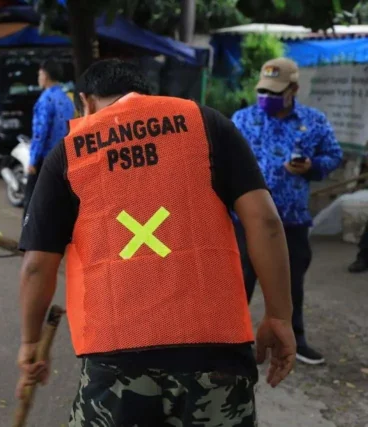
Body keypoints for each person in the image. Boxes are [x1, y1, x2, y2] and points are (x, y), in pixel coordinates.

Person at [16, 59, 296, 426]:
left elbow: (38, 265)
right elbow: (266, 222)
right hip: (216, 352)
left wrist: (30, 342)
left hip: (117, 358)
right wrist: (279, 315)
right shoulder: (205, 123)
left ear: (85, 102)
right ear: (147, 94)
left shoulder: (69, 153)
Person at [232, 58, 342, 365]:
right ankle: (231, 343)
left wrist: (311, 167)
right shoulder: (242, 120)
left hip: (290, 220)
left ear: (294, 88)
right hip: (244, 220)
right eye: (263, 91)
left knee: (291, 282)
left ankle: (294, 338)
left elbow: (333, 155)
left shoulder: (314, 121)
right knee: (239, 281)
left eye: (275, 91)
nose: (267, 97)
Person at [23, 59, 75, 220]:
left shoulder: (45, 100)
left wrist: (32, 160)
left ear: (45, 75)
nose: (38, 77)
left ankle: (30, 242)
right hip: (64, 157)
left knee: (33, 202)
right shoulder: (67, 99)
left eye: (39, 73)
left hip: (44, 159)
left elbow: (40, 132)